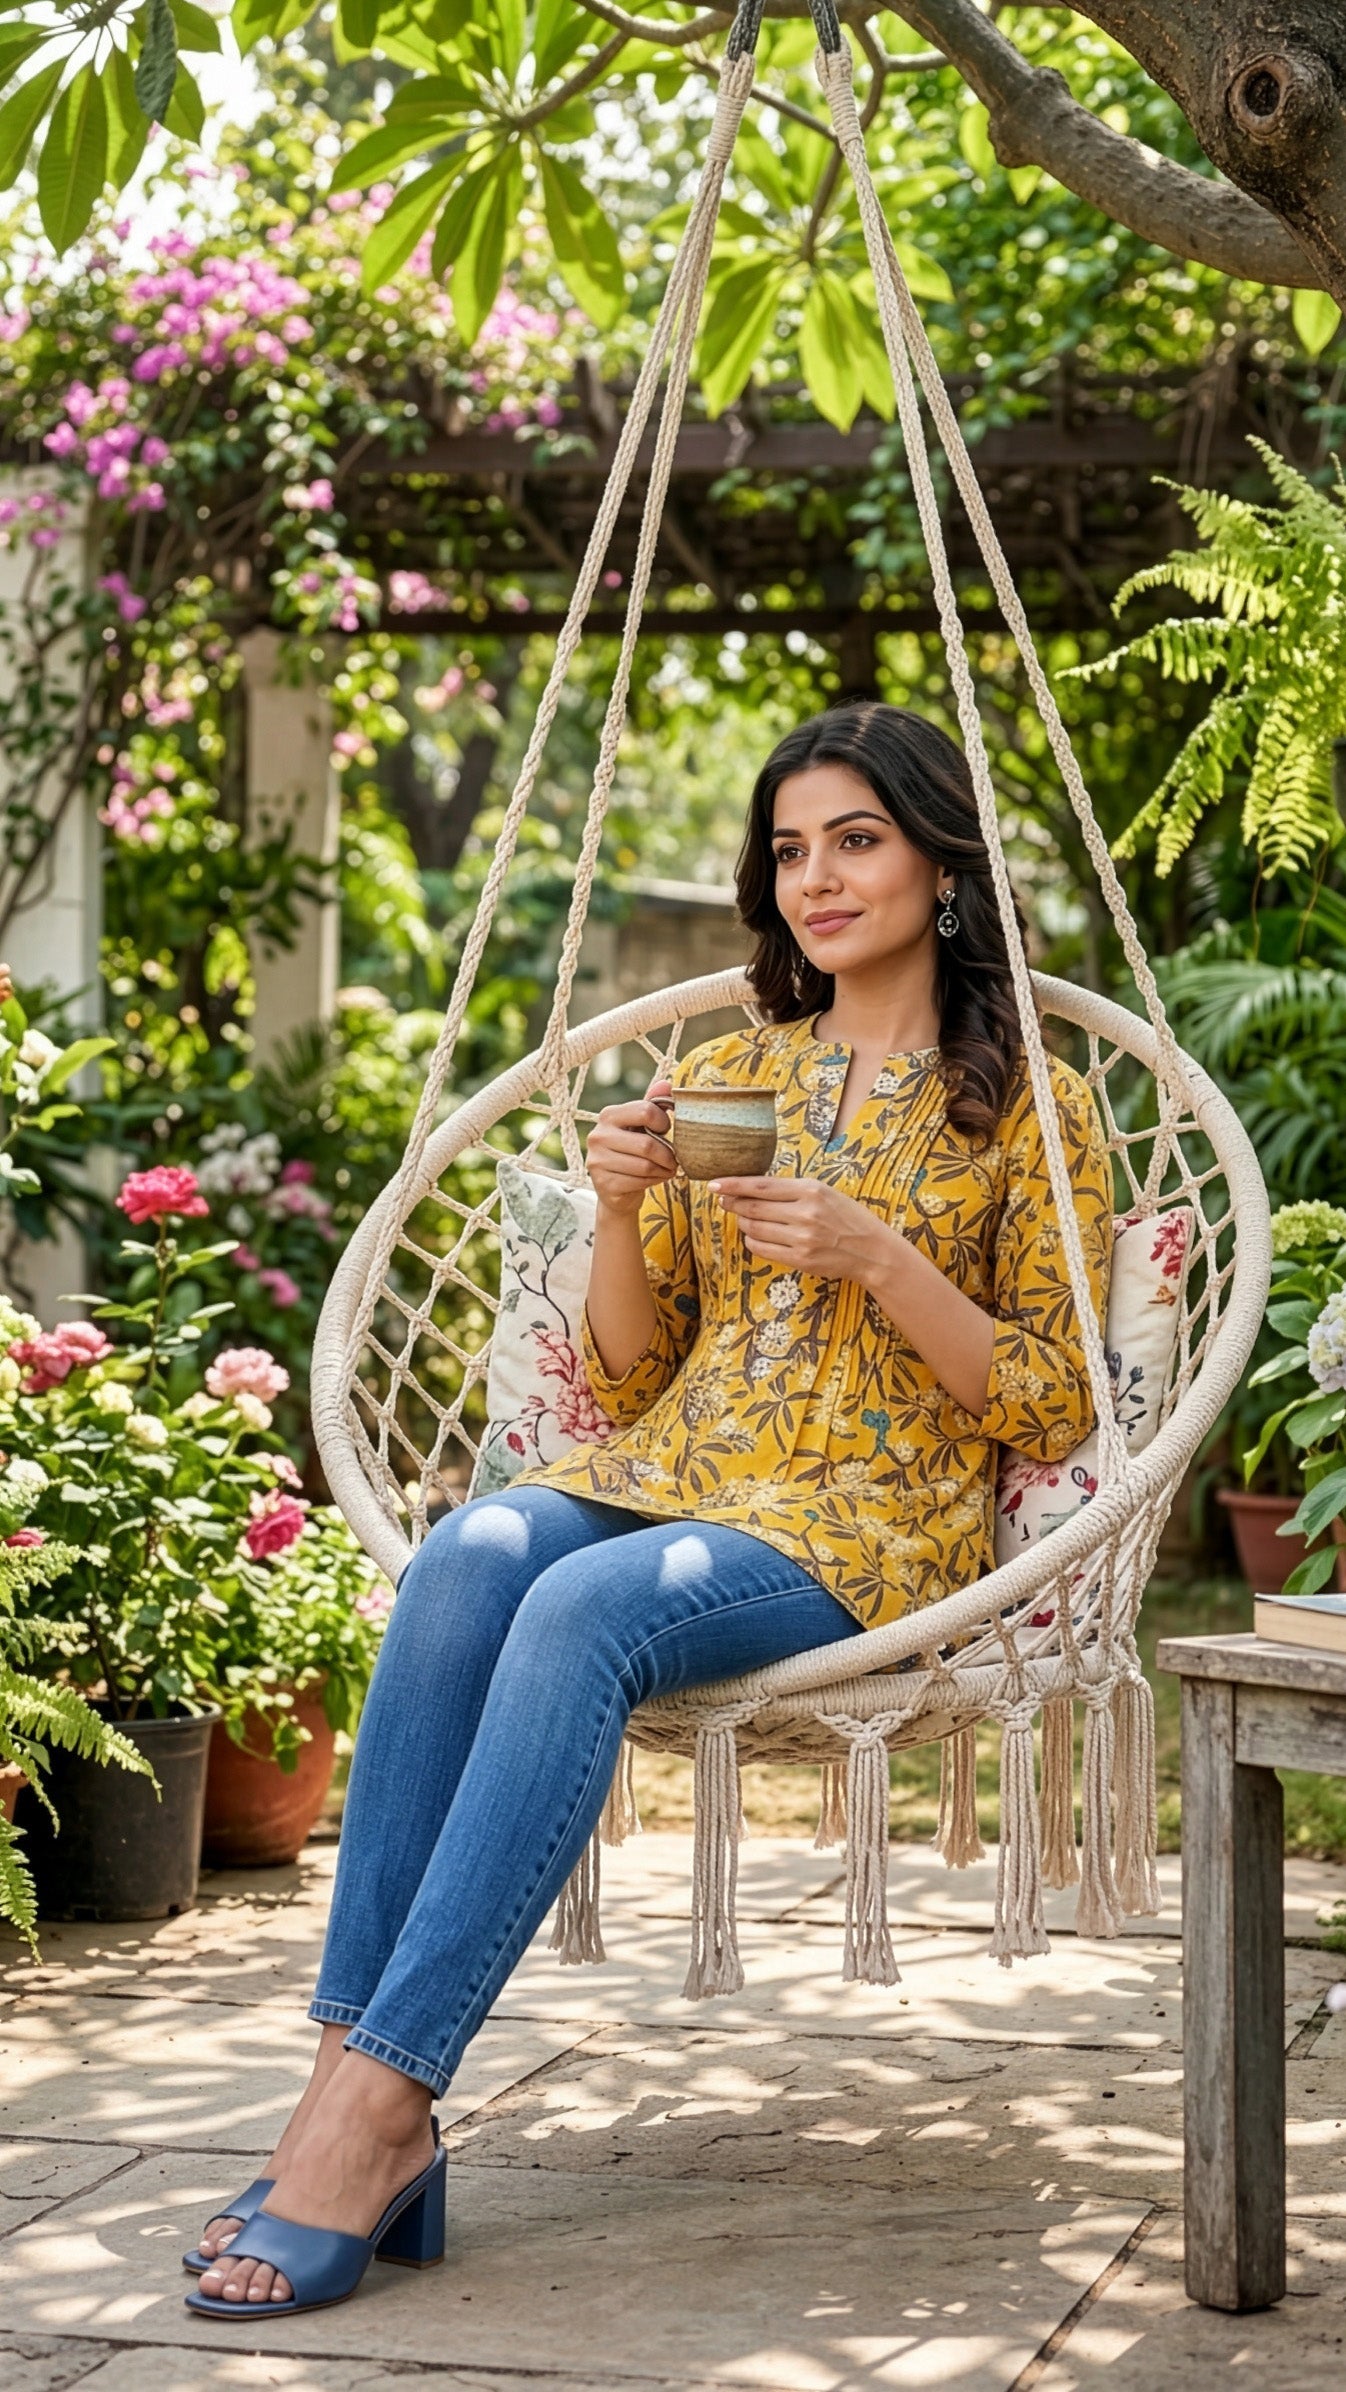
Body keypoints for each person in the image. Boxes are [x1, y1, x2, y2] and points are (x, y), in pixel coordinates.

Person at [184, 701, 1112, 2318]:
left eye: (854, 839)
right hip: (674, 1468)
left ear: (939, 865)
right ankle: (347, 2093)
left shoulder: (1028, 1100)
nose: (814, 878)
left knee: (582, 1609)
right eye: (787, 850)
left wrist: (877, 1259)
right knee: (473, 1555)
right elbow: (627, 1377)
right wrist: (621, 1207)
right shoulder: (730, 1070)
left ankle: (373, 2114)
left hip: (868, 1522)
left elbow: (1050, 1397)